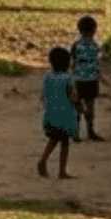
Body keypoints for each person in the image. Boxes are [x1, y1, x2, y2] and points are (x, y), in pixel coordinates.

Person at [37, 45, 78, 179]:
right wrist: (79, 107)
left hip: (50, 115)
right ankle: (62, 171)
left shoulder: (47, 76)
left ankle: (43, 160)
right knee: (64, 143)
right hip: (65, 116)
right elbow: (72, 96)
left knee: (53, 140)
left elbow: (43, 96)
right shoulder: (69, 77)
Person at [69, 15, 105, 142]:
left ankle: (76, 133)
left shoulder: (76, 45)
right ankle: (90, 131)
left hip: (78, 81)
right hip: (91, 80)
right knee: (90, 107)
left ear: (79, 30)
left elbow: (72, 64)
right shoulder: (96, 46)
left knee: (77, 108)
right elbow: (97, 64)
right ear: (94, 30)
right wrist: (101, 77)